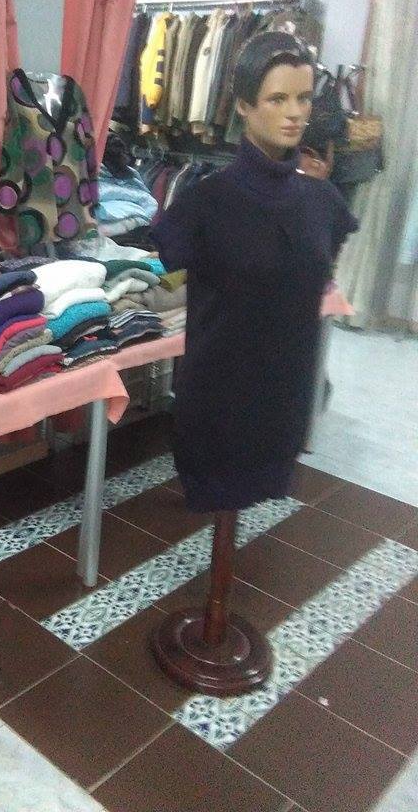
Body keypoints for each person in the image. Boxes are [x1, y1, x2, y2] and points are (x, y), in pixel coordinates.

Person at [152, 32, 358, 514]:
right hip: (217, 403)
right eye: (277, 99)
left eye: (303, 98)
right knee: (219, 490)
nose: (295, 113)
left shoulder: (324, 203)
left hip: (284, 401)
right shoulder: (204, 203)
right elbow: (171, 258)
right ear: (244, 106)